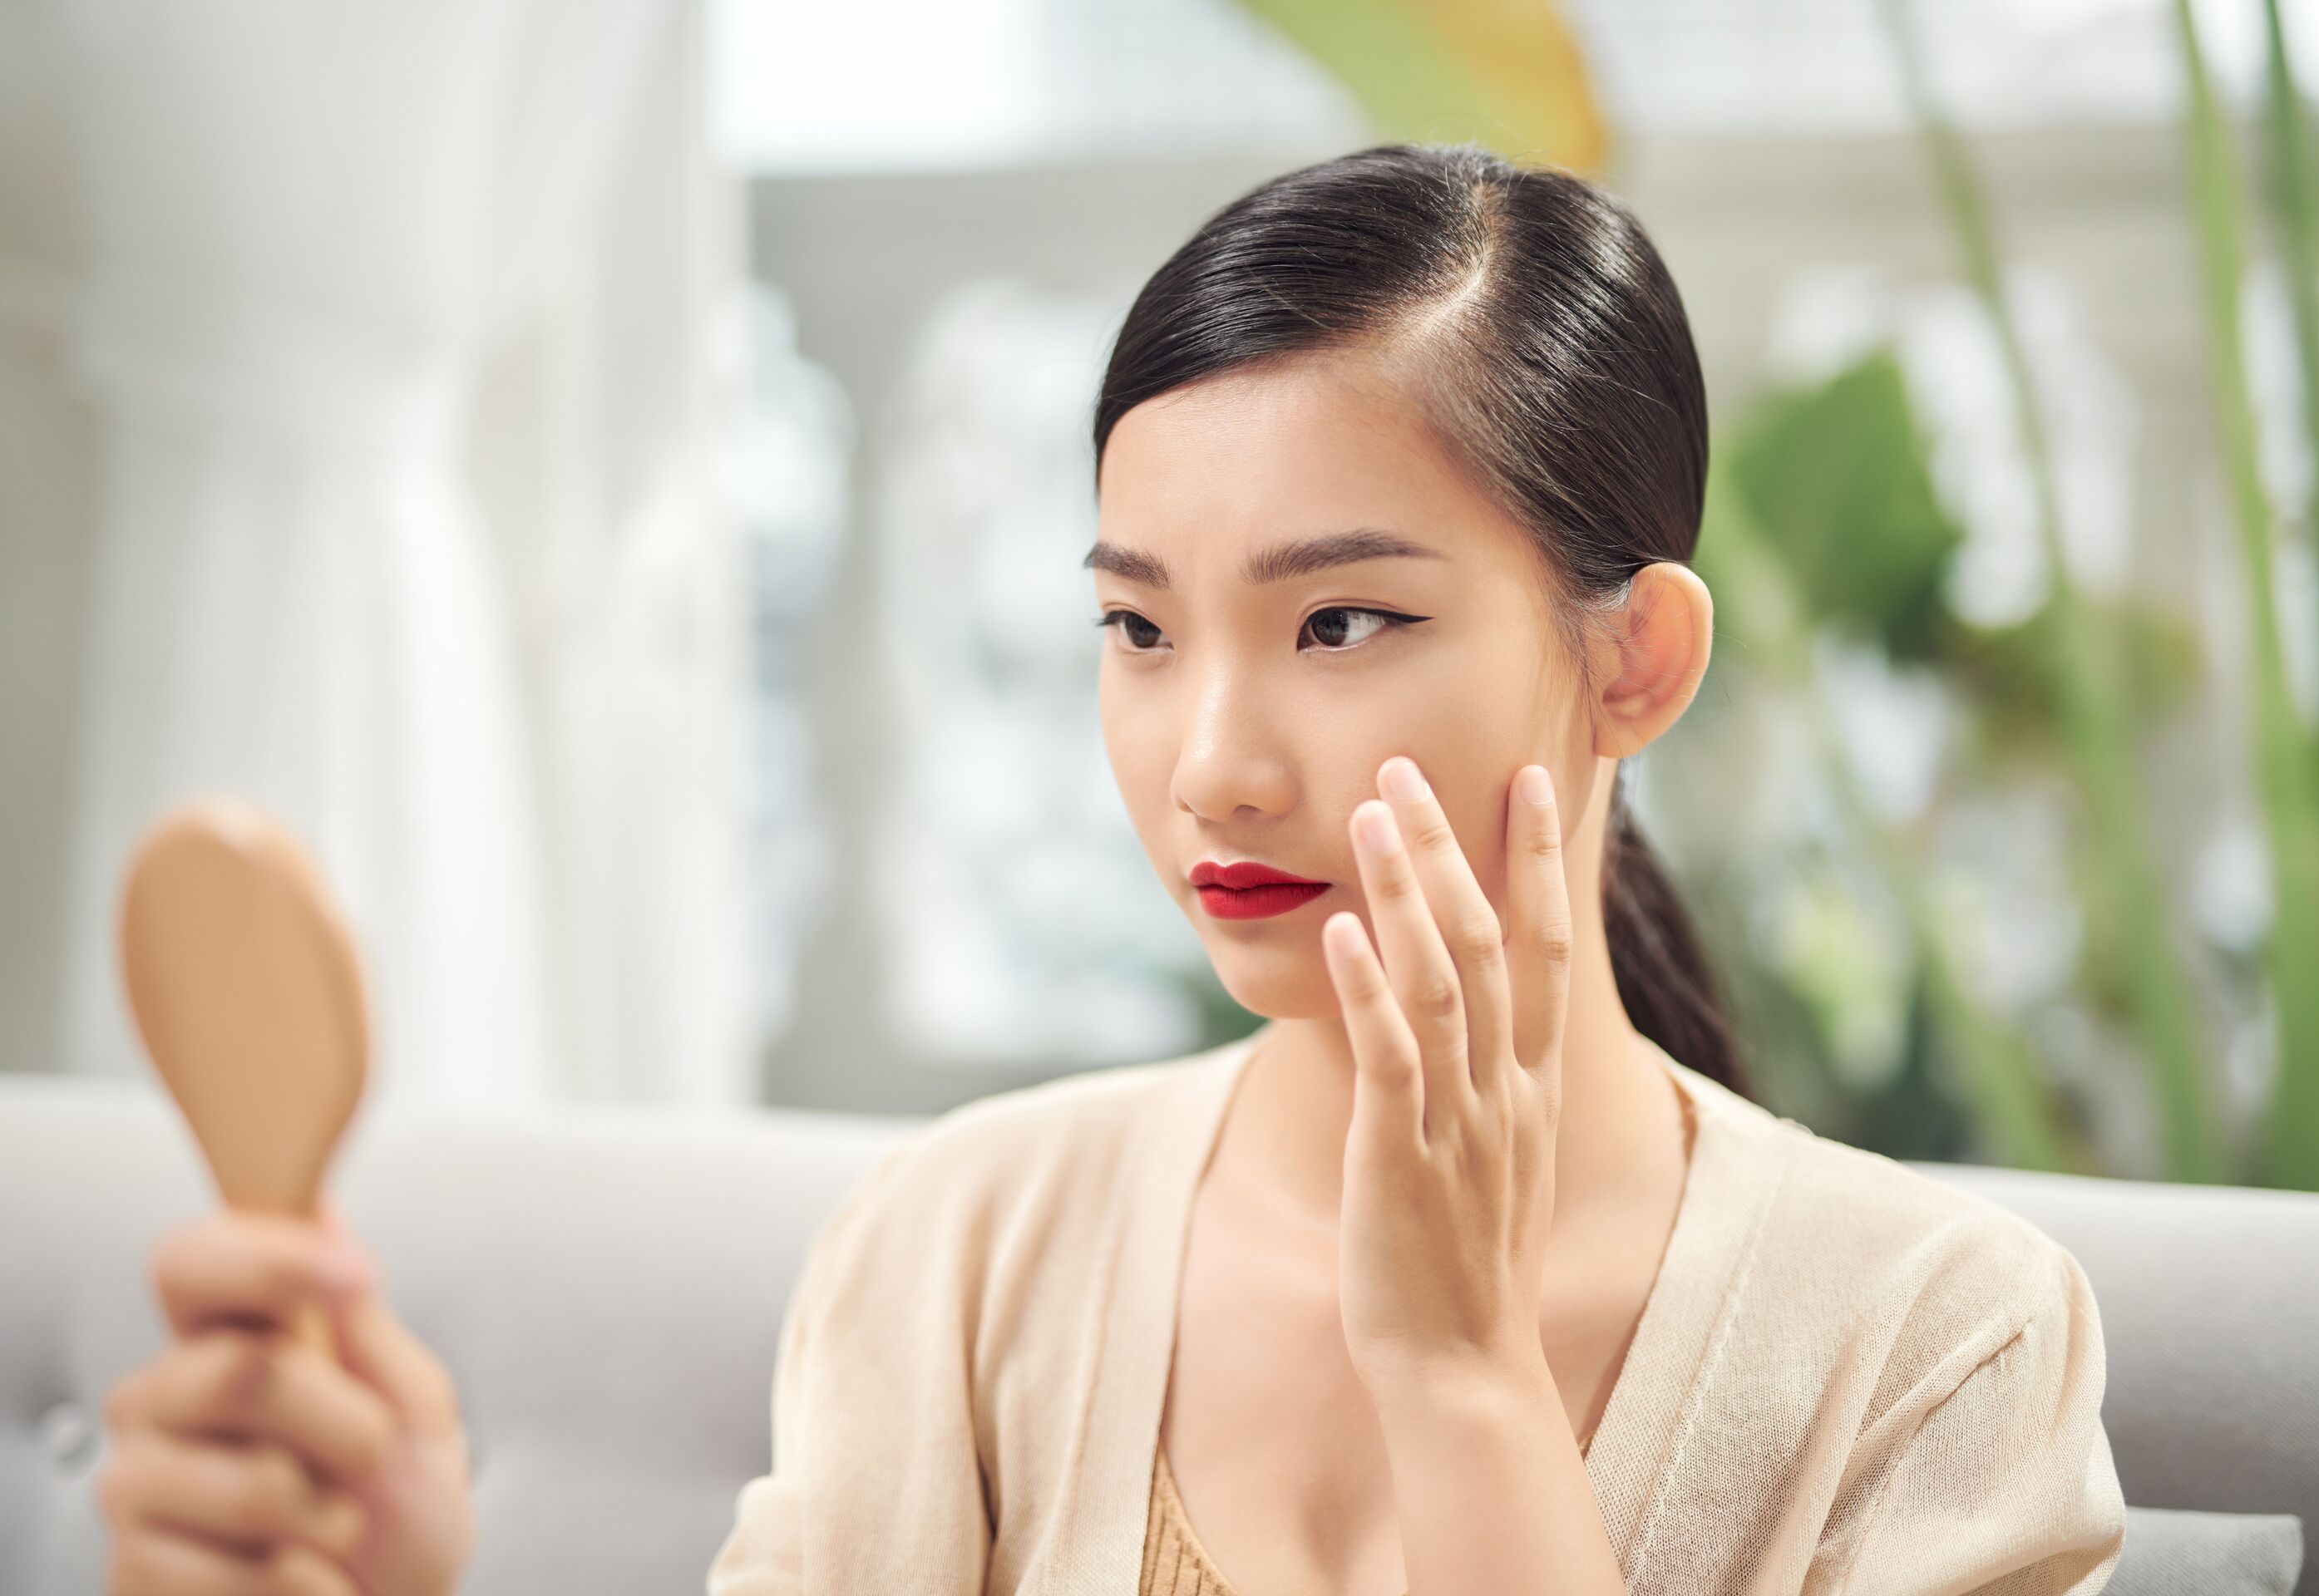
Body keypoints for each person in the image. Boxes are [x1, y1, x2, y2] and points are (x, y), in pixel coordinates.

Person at [96, 143, 2126, 1596]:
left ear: (1636, 661)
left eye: (1341, 625)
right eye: (1140, 631)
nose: (1212, 766)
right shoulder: (960, 1248)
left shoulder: (1942, 1356)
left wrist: (1463, 1383)